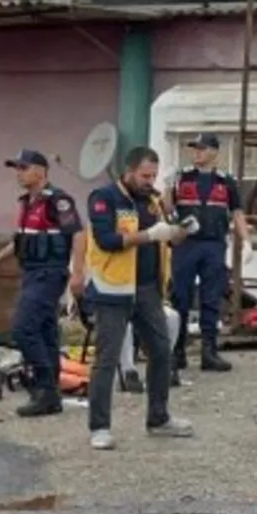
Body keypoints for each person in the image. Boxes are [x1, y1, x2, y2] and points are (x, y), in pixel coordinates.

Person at [84, 146, 194, 450]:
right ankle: (100, 427)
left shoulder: (154, 201)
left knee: (161, 350)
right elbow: (106, 241)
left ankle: (159, 419)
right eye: (145, 175)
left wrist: (174, 234)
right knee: (107, 359)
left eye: (154, 175)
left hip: (147, 289)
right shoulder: (105, 198)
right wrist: (148, 236)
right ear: (129, 171)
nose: (150, 181)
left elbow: (162, 238)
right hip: (113, 290)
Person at [0, 150, 84, 417]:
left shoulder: (58, 201)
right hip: (31, 272)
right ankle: (51, 393)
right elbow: (21, 240)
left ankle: (45, 387)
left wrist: (78, 274)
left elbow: (79, 235)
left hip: (49, 272)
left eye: (23, 168)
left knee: (23, 328)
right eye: (17, 168)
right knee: (46, 331)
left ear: (41, 171)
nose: (19, 173)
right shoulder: (27, 202)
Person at [167, 133, 252, 374]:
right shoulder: (181, 177)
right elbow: (166, 209)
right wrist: (166, 186)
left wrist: (246, 241)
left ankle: (209, 352)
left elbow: (236, 213)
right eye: (194, 149)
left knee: (211, 299)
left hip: (214, 244)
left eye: (202, 149)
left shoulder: (226, 182)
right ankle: (177, 351)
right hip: (185, 244)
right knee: (180, 298)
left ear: (215, 152)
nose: (197, 153)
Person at [119, 305, 182, 392]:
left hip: (146, 301)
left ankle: (164, 363)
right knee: (124, 324)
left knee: (173, 316)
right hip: (118, 305)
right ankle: (128, 371)